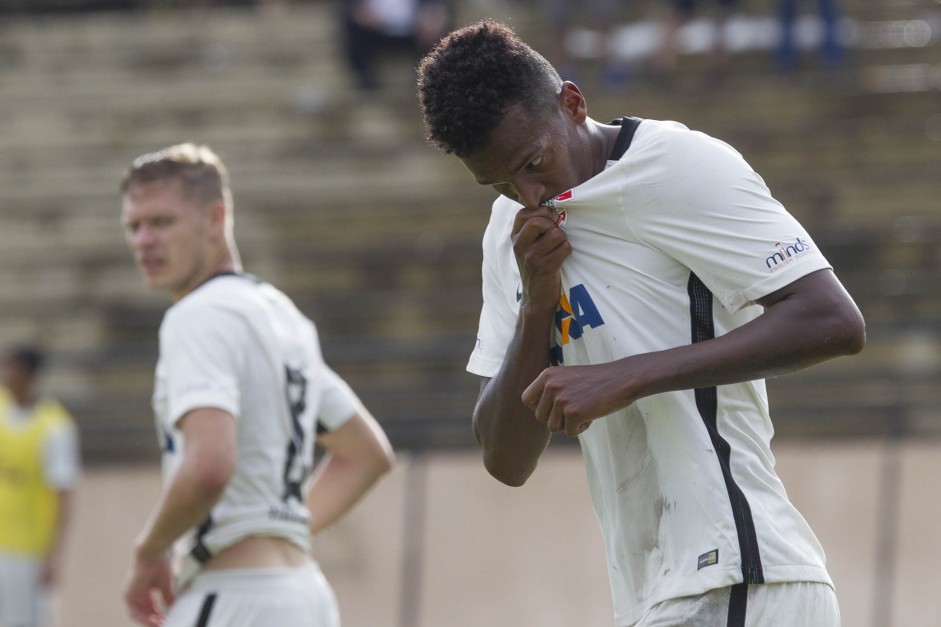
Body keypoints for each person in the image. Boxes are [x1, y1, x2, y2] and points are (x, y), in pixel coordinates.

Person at [417, 20, 864, 626]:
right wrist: (536, 307)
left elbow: (833, 321)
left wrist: (625, 377)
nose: (528, 195)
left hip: (741, 573)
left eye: (533, 163)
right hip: (654, 591)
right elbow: (506, 459)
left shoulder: (676, 164)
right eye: (497, 183)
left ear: (572, 103)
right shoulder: (509, 237)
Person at [119, 143, 395, 627]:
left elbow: (209, 466)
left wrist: (150, 550)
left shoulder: (198, 316)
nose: (143, 240)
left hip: (232, 599)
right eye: (134, 226)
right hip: (306, 597)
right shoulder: (281, 316)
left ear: (214, 218)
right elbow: (367, 454)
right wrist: (276, 528)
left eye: (162, 222)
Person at [0, 346, 81, 627]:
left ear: (28, 375)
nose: (4, 375)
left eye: (10, 368)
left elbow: (63, 494)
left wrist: (54, 555)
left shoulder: (54, 427)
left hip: (28, 551)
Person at [340, 0, 449, 92]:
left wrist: (433, 16)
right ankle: (366, 82)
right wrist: (360, 12)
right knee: (354, 32)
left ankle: (428, 81)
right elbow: (351, 8)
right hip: (375, 29)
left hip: (416, 29)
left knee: (438, 31)